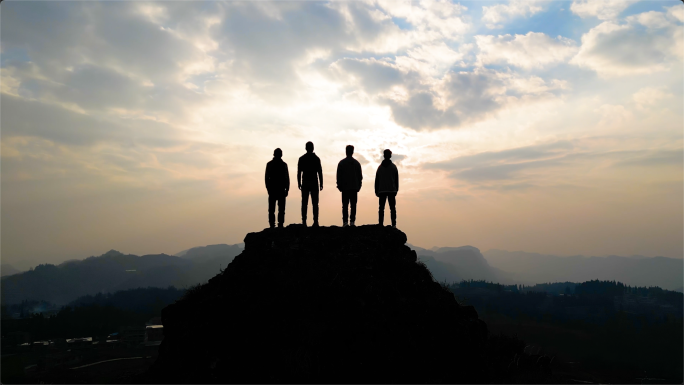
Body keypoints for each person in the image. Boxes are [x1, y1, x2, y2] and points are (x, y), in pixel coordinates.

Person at [336, 145, 363, 227]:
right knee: (353, 205)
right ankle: (352, 222)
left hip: (345, 188)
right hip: (354, 187)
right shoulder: (357, 163)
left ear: (346, 151)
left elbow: (338, 176)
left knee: (345, 206)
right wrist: (359, 186)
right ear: (352, 152)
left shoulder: (342, 163)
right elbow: (360, 176)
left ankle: (345, 222)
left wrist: (339, 185)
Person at [297, 141, 323, 227]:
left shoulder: (302, 158)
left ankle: (304, 222)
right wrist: (321, 182)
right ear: (313, 148)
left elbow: (299, 172)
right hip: (314, 183)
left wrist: (299, 182)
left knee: (304, 203)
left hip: (305, 183)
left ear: (306, 148)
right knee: (315, 203)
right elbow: (320, 172)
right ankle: (315, 221)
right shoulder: (316, 158)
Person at [265, 148, 290, 228]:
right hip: (280, 189)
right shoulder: (283, 165)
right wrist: (287, 188)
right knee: (280, 209)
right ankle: (280, 224)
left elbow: (266, 178)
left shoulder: (270, 164)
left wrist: (268, 188)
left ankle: (273, 225)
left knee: (272, 209)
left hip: (273, 189)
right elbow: (287, 178)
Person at [375, 149, 399, 227]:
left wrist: (376, 190)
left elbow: (377, 180)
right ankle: (394, 224)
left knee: (381, 209)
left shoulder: (380, 167)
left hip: (382, 190)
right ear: (390, 156)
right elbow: (396, 180)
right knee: (392, 209)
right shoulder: (393, 167)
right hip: (392, 190)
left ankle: (381, 224)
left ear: (384, 156)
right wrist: (396, 190)